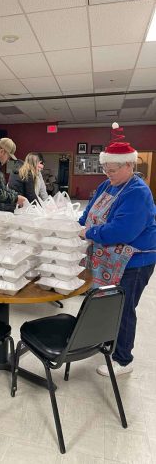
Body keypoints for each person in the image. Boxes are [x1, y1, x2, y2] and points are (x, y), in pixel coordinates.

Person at [78, 123, 156, 377]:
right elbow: (89, 213)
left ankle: (123, 358)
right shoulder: (107, 185)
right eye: (105, 169)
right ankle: (106, 341)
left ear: (129, 166)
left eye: (112, 170)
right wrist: (75, 224)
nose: (107, 173)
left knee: (123, 308)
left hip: (135, 261)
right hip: (109, 259)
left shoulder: (138, 193)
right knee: (107, 304)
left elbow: (123, 231)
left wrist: (90, 233)